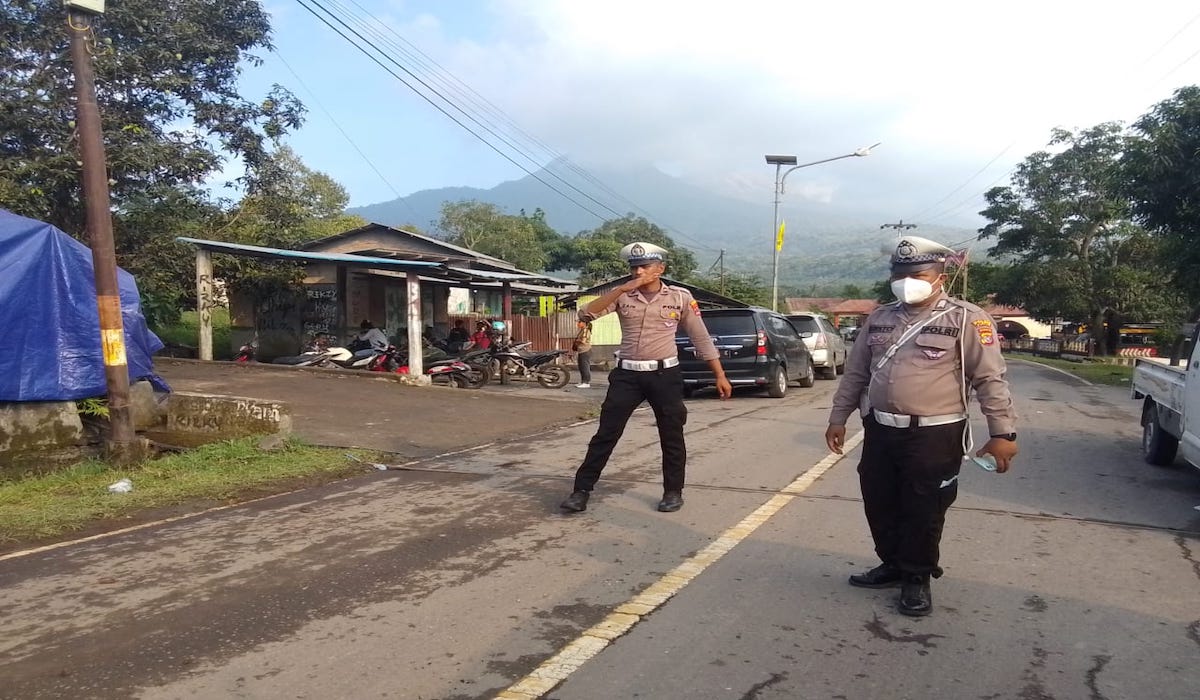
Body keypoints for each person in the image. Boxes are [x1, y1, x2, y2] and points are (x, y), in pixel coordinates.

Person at [825, 235, 1019, 618]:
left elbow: (990, 379)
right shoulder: (879, 318)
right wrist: (838, 417)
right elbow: (856, 373)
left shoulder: (967, 318)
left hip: (935, 433)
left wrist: (1002, 433)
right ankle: (893, 563)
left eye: (916, 273)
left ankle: (916, 576)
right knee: (879, 500)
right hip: (880, 429)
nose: (906, 280)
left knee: (924, 507)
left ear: (939, 276)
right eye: (899, 273)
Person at [561, 242, 732, 514]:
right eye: (633, 267)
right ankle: (580, 491)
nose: (638, 271)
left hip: (665, 375)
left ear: (660, 269)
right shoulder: (622, 295)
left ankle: (673, 492)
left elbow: (700, 336)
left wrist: (719, 375)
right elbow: (586, 313)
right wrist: (620, 289)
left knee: (671, 435)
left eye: (644, 266)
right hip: (627, 375)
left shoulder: (680, 297)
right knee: (606, 434)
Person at [573, 320, 593, 388]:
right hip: (581, 350)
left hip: (585, 350)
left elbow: (583, 341)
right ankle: (583, 381)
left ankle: (586, 382)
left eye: (579, 322)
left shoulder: (586, 330)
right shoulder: (582, 330)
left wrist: (577, 341)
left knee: (585, 366)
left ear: (584, 323)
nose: (578, 324)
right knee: (581, 366)